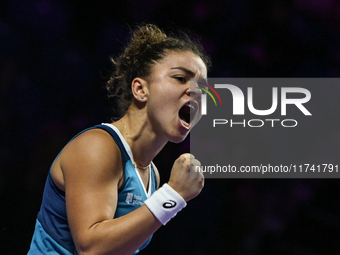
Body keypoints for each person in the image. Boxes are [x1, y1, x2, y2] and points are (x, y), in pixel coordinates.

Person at [27, 23, 211, 255]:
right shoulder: (98, 147)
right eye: (180, 78)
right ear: (140, 90)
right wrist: (173, 195)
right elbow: (91, 248)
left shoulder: (150, 173)